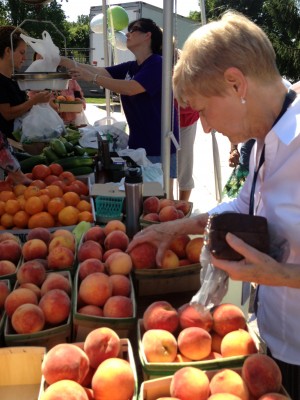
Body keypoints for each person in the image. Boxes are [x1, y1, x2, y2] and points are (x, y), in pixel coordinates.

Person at [127, 11, 300, 399]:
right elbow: (240, 209)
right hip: (272, 343)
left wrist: (281, 275)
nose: (203, 127)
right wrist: (172, 227)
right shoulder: (265, 139)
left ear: (236, 83)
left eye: (202, 110)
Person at [59, 18, 179, 196]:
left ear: (148, 36)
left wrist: (91, 78)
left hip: (158, 146)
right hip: (139, 145)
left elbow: (131, 88)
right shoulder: (132, 66)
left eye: (134, 29)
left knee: (157, 197)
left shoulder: (157, 63)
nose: (128, 33)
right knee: (141, 196)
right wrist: (63, 60)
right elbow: (101, 71)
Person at [0, 26, 51, 184]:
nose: (24, 58)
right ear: (8, 51)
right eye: (21, 53)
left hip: (11, 148)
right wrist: (34, 101)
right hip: (5, 152)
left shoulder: (12, 79)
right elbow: (6, 113)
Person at [176, 102, 199, 201]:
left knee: (184, 168)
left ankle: (183, 208)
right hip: (156, 118)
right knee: (157, 171)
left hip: (185, 121)